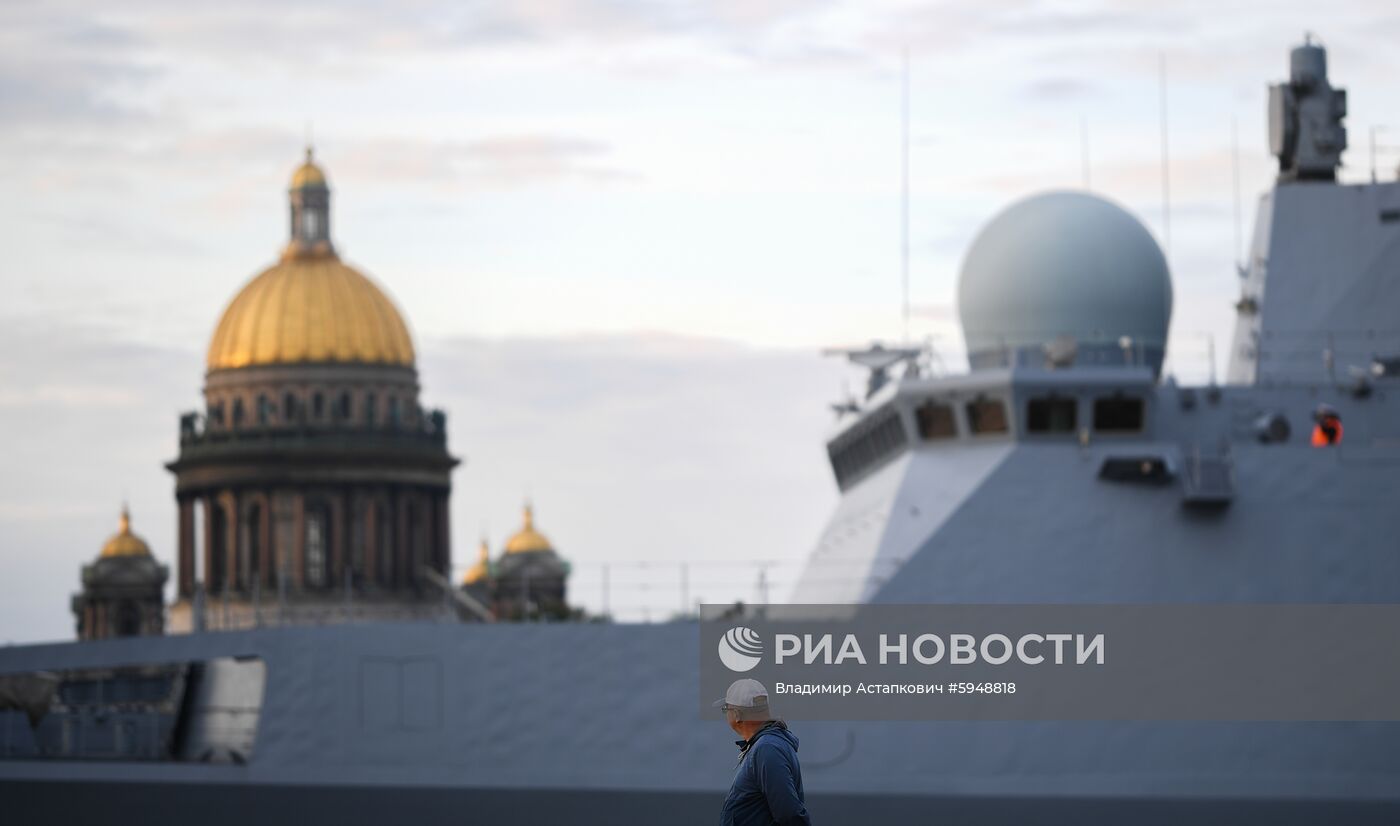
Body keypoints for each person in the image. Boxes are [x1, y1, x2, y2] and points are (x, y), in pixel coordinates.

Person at [714, 679, 811, 826]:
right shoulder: (766, 745)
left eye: (726, 709)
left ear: (737, 715)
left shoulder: (767, 749)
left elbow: (789, 815)